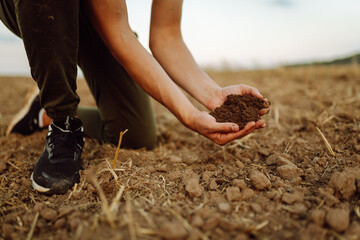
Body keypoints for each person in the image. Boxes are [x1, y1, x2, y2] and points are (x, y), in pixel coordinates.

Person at [0, 0, 269, 195]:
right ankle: (61, 119)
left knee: (134, 134)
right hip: (36, 8)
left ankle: (42, 113)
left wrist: (210, 97)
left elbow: (165, 37)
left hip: (97, 21)